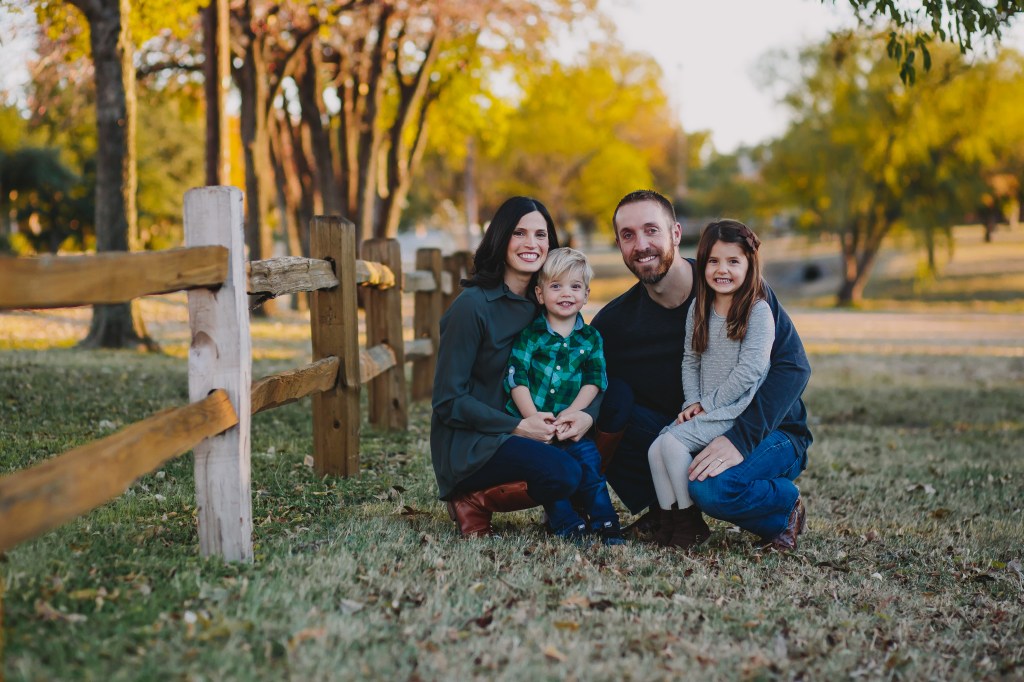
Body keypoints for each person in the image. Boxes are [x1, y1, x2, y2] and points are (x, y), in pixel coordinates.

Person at [592, 190, 812, 551]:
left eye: (652, 230)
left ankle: (785, 507)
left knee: (714, 489)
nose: (642, 244)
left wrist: (741, 439)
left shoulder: (736, 286)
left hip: (766, 428)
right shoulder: (615, 324)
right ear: (618, 243)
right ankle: (674, 514)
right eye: (628, 235)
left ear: (676, 234)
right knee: (607, 401)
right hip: (695, 425)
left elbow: (794, 366)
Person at [431, 197, 598, 538]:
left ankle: (574, 506)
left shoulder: (550, 301)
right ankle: (471, 499)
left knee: (617, 396)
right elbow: (448, 401)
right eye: (519, 233)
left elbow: (585, 367)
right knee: (564, 472)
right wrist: (519, 427)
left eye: (540, 235)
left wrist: (585, 415)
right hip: (476, 442)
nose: (531, 244)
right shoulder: (472, 307)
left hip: (536, 424)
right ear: (501, 237)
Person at [647, 221, 774, 549]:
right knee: (656, 449)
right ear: (702, 264)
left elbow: (750, 371)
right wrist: (692, 402)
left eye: (734, 262)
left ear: (749, 264)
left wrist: (708, 405)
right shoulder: (699, 307)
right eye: (714, 261)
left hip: (736, 409)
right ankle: (670, 520)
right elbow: (690, 360)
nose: (723, 270)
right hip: (706, 406)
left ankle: (691, 524)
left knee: (672, 445)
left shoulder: (757, 311)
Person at [504, 248, 624, 545]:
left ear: (586, 294)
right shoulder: (530, 335)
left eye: (575, 286)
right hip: (534, 427)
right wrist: (532, 418)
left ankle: (606, 522)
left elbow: (594, 380)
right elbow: (515, 377)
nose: (566, 293)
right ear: (540, 294)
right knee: (549, 474)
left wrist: (574, 413)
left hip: (569, 425)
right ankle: (566, 524)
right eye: (556, 286)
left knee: (590, 466)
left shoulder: (591, 338)